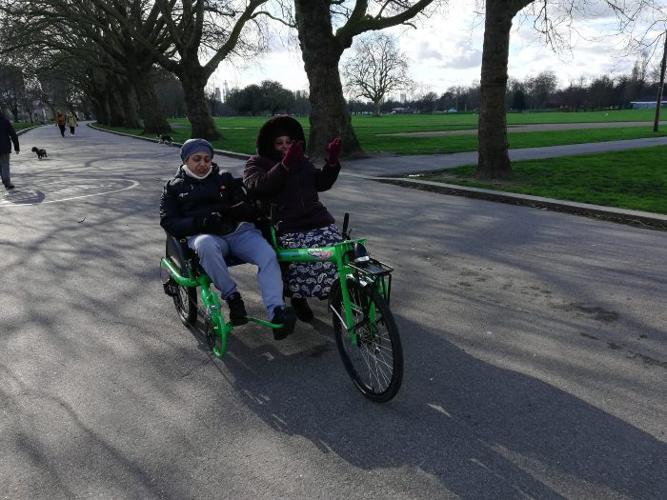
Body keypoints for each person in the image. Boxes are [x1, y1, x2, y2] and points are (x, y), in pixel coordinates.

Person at [160, 138, 296, 339]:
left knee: (268, 254)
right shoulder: (173, 187)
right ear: (185, 160)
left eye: (207, 159)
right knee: (205, 245)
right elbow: (169, 222)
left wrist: (243, 209)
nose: (203, 163)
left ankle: (277, 311)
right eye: (196, 159)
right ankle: (232, 297)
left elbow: (247, 205)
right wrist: (201, 223)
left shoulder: (224, 178)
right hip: (204, 235)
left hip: (237, 232)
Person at [244, 116, 343, 322]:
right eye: (279, 143)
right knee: (309, 257)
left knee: (338, 250)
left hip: (317, 219)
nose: (285, 147)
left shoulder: (302, 161)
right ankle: (298, 297)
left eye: (288, 142)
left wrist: (332, 162)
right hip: (286, 224)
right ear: (270, 144)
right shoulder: (257, 162)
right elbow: (258, 187)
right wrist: (285, 165)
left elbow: (321, 183)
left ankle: (337, 291)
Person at [0, 111, 20, 190]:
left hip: (4, 147)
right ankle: (7, 182)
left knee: (1, 165)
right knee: (5, 164)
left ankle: (5, 181)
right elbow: (13, 134)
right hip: (4, 147)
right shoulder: (5, 121)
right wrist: (17, 147)